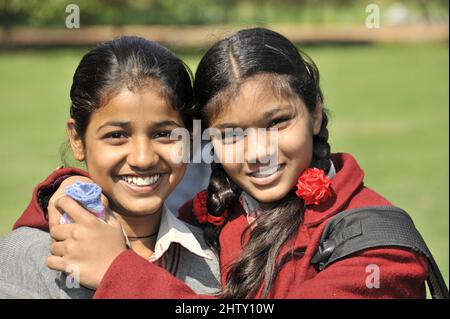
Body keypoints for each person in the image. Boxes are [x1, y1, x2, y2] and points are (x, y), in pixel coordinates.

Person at [11, 28, 431, 298]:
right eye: (230, 134)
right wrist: (70, 191)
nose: (257, 152)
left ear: (316, 112)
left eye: (278, 122)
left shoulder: (378, 243)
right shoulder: (216, 215)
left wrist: (118, 273)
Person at [0, 36, 221, 298]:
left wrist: (118, 272)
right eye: (116, 135)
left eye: (163, 134)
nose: (142, 159)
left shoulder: (218, 262)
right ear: (77, 140)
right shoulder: (28, 258)